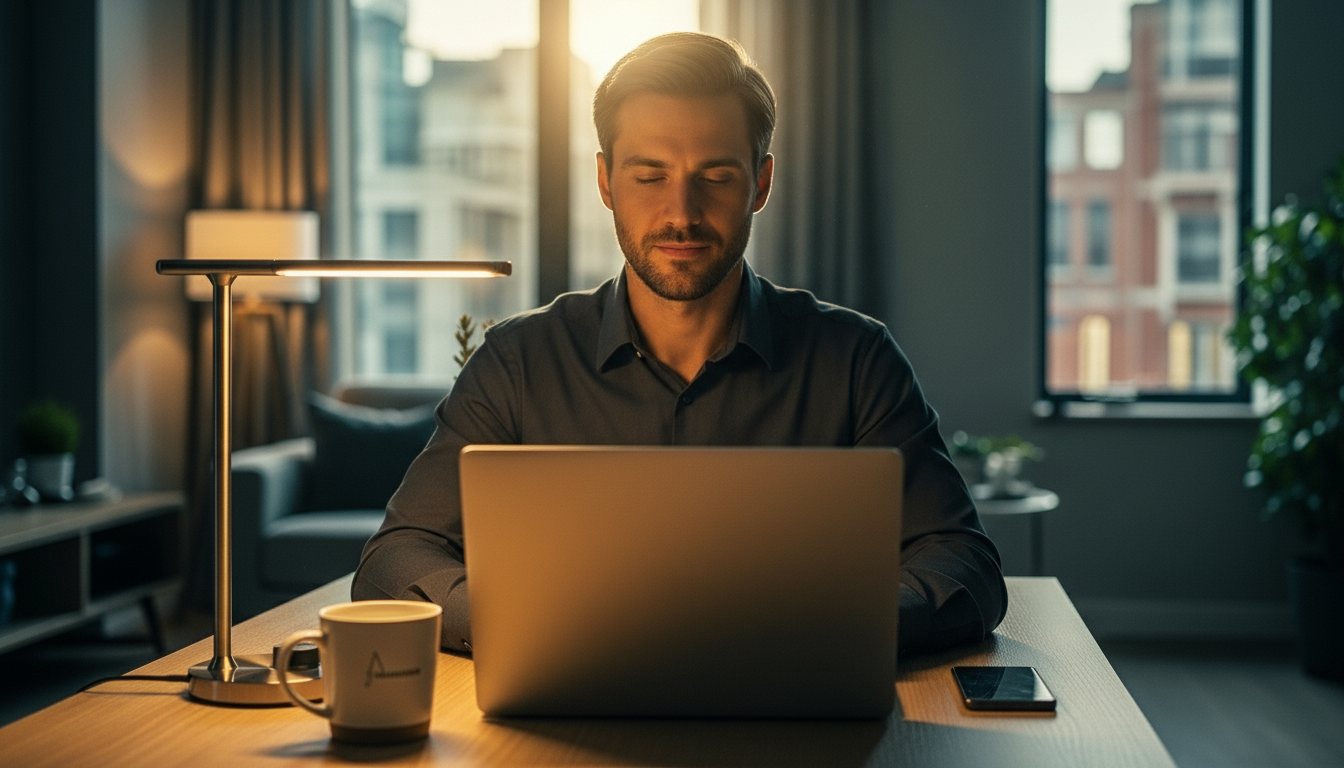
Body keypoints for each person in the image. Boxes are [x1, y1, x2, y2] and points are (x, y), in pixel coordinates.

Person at [353, 32, 1006, 657]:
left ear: (762, 183)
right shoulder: (518, 363)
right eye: (650, 175)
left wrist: (821, 631)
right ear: (607, 183)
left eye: (716, 176)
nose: (682, 213)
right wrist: (541, 625)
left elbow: (962, 566)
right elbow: (394, 562)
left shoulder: (857, 361)